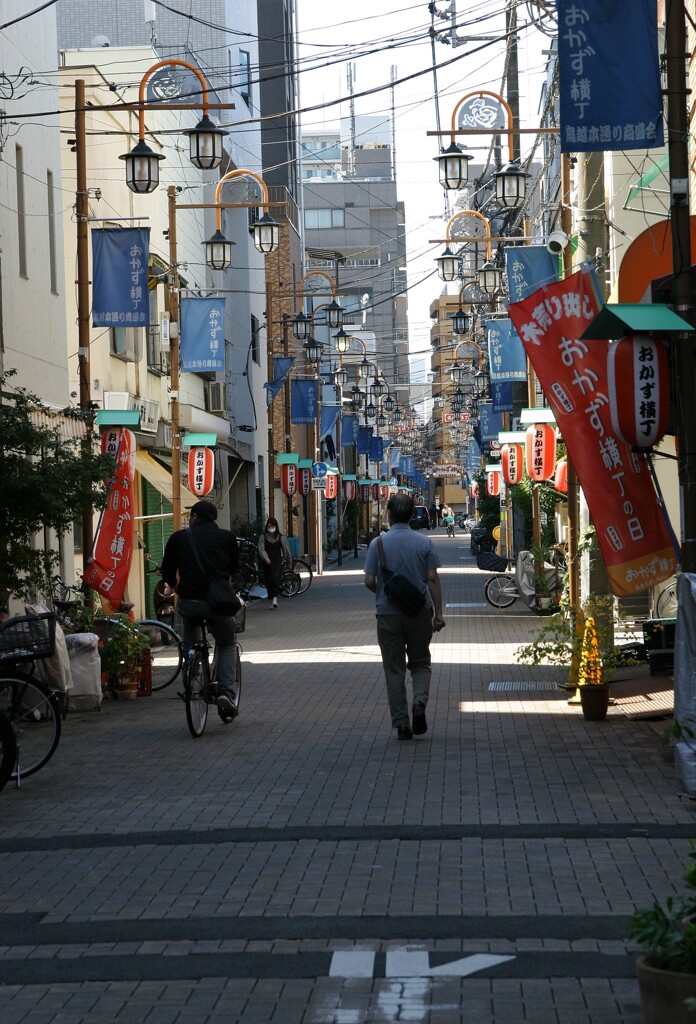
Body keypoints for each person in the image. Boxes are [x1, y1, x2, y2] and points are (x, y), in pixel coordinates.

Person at [364, 492, 445, 741]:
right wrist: (438, 613)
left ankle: (401, 723)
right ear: (412, 514)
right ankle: (419, 702)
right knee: (420, 662)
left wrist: (385, 592)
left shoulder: (377, 544)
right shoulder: (424, 543)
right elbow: (432, 578)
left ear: (389, 513)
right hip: (419, 611)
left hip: (388, 613)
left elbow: (369, 580)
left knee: (394, 669)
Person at [160, 500, 240, 722]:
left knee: (190, 637)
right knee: (226, 643)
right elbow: (233, 568)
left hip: (189, 602)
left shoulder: (179, 537)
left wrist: (175, 585)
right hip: (218, 604)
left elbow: (167, 570)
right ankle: (225, 693)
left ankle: (191, 672)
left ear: (194, 516)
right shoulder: (227, 537)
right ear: (214, 518)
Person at [258, 516, 292, 609]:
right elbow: (261, 549)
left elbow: (286, 550)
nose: (271, 528)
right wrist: (266, 558)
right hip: (267, 562)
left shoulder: (280, 537)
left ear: (276, 526)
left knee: (275, 579)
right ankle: (272, 598)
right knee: (269, 580)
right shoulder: (263, 536)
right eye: (269, 526)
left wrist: (288, 561)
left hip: (277, 561)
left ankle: (275, 600)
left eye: (272, 526)